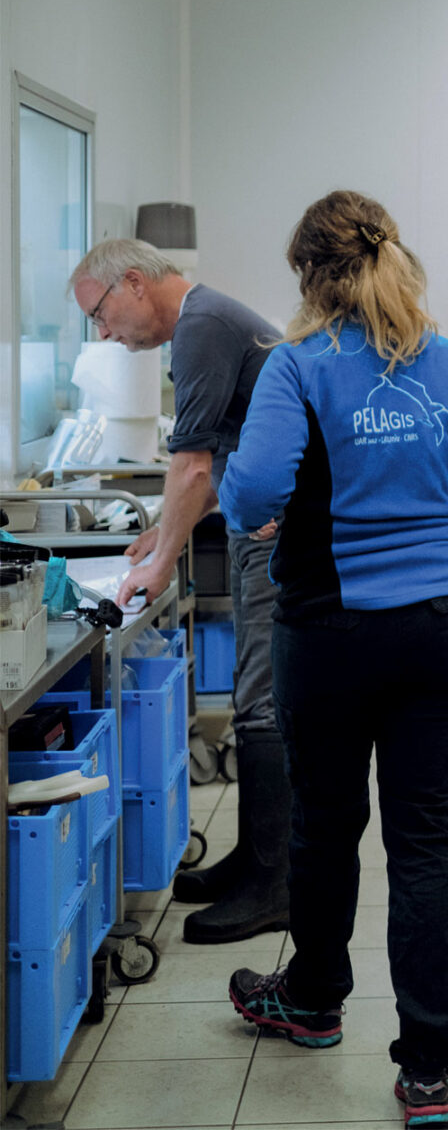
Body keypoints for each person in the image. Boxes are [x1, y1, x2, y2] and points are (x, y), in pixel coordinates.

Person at [219, 191, 448, 1128]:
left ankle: (313, 1001)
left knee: (326, 825)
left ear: (309, 274)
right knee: (423, 839)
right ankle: (427, 1070)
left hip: (330, 635)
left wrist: (276, 518)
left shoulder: (297, 365)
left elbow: (251, 491)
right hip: (440, 631)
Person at [68, 240, 291, 944]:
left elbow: (192, 466)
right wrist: (162, 532)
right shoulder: (203, 323)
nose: (105, 334)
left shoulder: (201, 327)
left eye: (101, 314)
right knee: (257, 696)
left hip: (281, 533)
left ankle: (274, 886)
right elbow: (219, 462)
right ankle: (254, 863)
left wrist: (162, 561)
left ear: (134, 283)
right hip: (266, 521)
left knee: (262, 700)